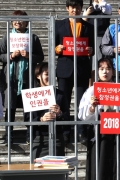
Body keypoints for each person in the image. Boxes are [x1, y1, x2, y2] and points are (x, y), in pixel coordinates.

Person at [78, 57, 120, 180]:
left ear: (113, 71)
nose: (105, 72)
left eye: (108, 68)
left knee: (116, 168)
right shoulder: (91, 91)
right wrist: (92, 107)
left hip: (116, 132)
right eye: (102, 69)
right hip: (98, 134)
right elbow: (82, 116)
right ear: (97, 72)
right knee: (98, 167)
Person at [0, 10, 44, 144]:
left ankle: (29, 135)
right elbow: (0, 55)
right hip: (11, 78)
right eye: (15, 19)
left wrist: (29, 55)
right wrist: (10, 56)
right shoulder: (7, 37)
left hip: (27, 77)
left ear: (27, 22)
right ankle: (9, 135)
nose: (18, 22)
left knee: (28, 107)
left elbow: (41, 57)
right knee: (10, 107)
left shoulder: (33, 37)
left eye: (21, 19)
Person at [55, 0, 94, 144]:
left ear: (81, 9)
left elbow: (92, 49)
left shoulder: (88, 27)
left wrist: (91, 50)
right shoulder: (59, 25)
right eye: (72, 7)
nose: (75, 10)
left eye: (77, 7)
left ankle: (81, 131)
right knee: (63, 100)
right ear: (67, 9)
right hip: (65, 69)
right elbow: (54, 46)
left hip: (82, 69)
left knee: (81, 102)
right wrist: (57, 48)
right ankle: (65, 131)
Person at [29, 62, 69, 159]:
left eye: (52, 74)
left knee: (58, 172)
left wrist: (59, 113)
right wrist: (41, 119)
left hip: (57, 138)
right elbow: (27, 120)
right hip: (39, 139)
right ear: (38, 76)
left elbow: (67, 117)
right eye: (47, 74)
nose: (50, 77)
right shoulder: (31, 94)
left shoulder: (60, 94)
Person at [83, 0, 112, 84]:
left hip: (102, 38)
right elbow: (82, 23)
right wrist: (86, 14)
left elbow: (105, 9)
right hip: (90, 39)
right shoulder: (88, 8)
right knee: (91, 67)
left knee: (101, 64)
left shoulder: (106, 6)